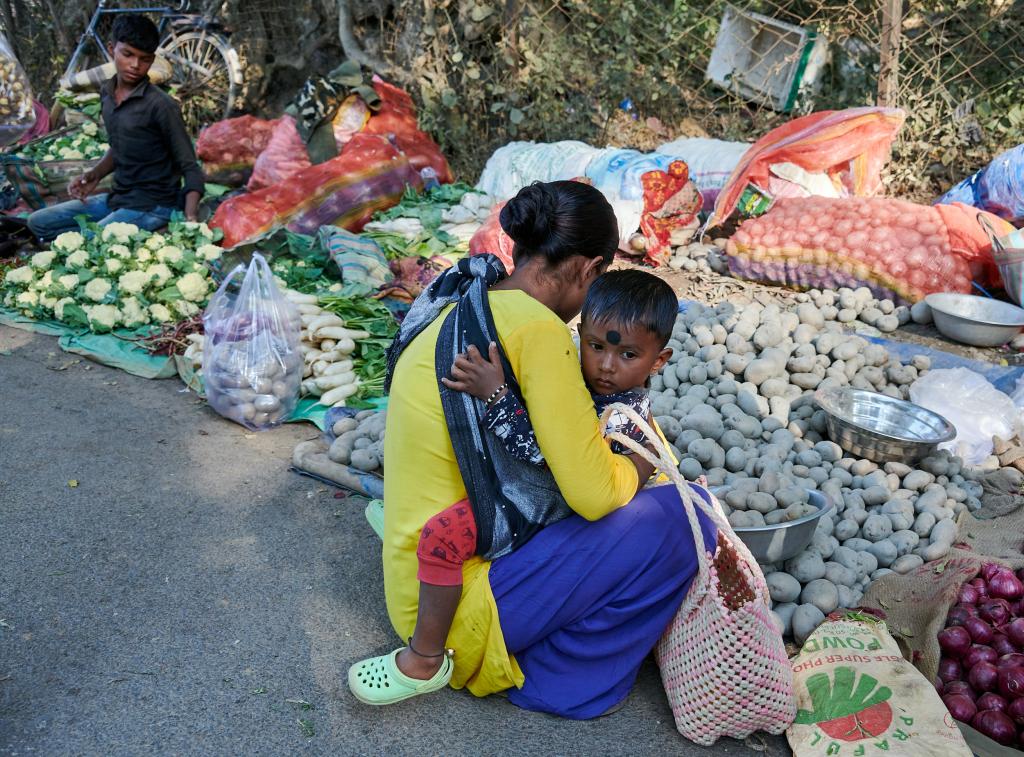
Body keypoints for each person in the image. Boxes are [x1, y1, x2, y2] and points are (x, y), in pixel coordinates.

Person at [348, 180, 717, 718]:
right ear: (591, 269)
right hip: (460, 612)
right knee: (688, 516)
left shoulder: (460, 302)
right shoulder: (540, 333)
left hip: (415, 581)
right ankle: (554, 674)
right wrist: (640, 464)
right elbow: (593, 496)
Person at [356, 269, 677, 700]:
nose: (605, 365)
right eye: (596, 346)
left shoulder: (623, 417)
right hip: (533, 494)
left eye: (628, 355)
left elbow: (551, 460)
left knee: (440, 537)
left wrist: (497, 396)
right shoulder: (586, 383)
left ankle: (424, 660)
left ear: (659, 360)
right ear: (580, 333)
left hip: (544, 507)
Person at [26, 14, 204, 243]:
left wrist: (190, 217)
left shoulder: (161, 105)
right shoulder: (107, 94)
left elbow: (190, 166)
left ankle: (112, 239)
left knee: (86, 244)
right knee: (38, 222)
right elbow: (118, 147)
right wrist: (93, 175)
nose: (135, 65)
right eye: (127, 54)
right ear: (112, 49)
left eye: (145, 59)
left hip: (154, 205)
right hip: (118, 199)